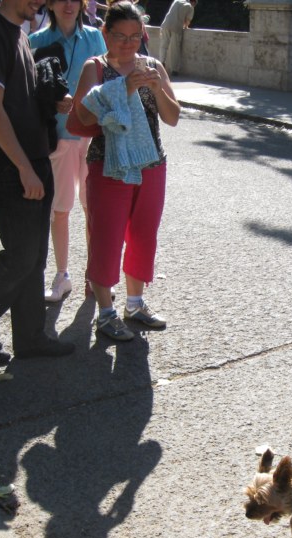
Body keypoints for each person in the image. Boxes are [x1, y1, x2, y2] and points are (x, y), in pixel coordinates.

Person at [0, 0, 76, 362]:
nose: (40, 2)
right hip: (9, 167)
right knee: (21, 255)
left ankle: (30, 338)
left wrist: (52, 102)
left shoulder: (19, 35)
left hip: (34, 159)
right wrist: (24, 168)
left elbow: (18, 101)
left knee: (35, 256)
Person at [72, 0, 180, 340]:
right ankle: (105, 313)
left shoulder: (153, 66)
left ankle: (135, 304)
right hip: (108, 165)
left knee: (144, 235)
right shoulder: (95, 67)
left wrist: (155, 87)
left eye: (135, 36)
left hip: (151, 163)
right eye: (120, 36)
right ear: (105, 34)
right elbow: (81, 116)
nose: (128, 43)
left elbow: (172, 117)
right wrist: (124, 88)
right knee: (107, 236)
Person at [29, 0, 107, 302]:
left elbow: (107, 81)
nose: (68, 4)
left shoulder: (94, 37)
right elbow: (29, 92)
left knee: (93, 208)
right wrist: (52, 101)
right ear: (49, 4)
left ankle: (95, 275)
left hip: (91, 137)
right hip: (59, 137)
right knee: (60, 209)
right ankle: (62, 275)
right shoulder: (37, 40)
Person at [158, 0, 195, 76]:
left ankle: (161, 62)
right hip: (176, 27)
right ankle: (174, 70)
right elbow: (187, 21)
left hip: (166, 24)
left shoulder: (177, 1)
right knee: (175, 48)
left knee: (164, 45)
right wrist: (185, 26)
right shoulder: (190, 7)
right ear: (193, 2)